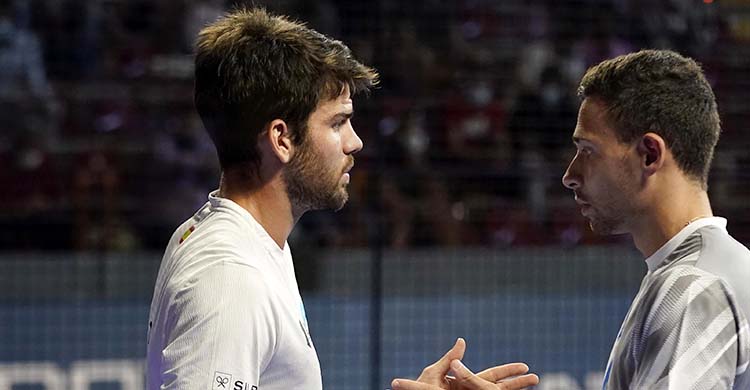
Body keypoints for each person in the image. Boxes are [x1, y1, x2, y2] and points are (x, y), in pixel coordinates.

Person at [145, 7, 377, 389]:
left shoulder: (250, 241)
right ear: (281, 139)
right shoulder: (230, 278)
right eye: (337, 122)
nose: (355, 142)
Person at [561, 50, 750, 389]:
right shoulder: (708, 271)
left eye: (588, 150)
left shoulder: (693, 286)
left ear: (650, 154)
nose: (570, 175)